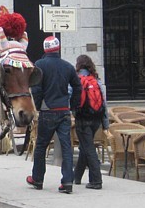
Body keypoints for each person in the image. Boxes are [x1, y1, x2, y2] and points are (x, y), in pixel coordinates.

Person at [27, 36, 81, 194]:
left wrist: (36, 107)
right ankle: (67, 181)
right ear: (58, 49)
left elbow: (36, 89)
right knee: (66, 147)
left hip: (47, 111)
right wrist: (73, 106)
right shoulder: (68, 66)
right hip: (64, 110)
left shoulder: (40, 65)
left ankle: (37, 178)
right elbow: (77, 87)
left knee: (41, 146)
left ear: (45, 49)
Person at [73, 54, 111, 190]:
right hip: (96, 119)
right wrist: (106, 124)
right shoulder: (97, 81)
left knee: (88, 149)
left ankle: (96, 180)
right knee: (85, 146)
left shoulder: (77, 79)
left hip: (82, 119)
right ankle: (76, 177)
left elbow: (71, 98)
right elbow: (104, 104)